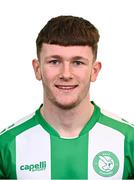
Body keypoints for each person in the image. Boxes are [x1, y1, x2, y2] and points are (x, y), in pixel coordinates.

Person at [0, 15, 134, 179]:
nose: (66, 74)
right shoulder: (6, 145)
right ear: (37, 69)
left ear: (94, 70)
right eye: (54, 62)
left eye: (78, 62)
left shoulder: (128, 141)